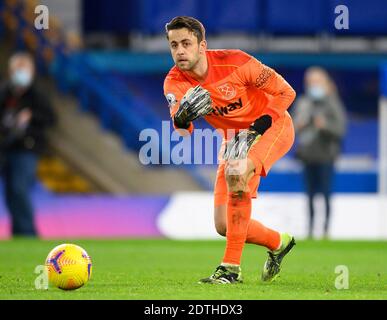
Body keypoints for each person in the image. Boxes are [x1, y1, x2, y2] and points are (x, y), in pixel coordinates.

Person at [163, 16, 296, 284]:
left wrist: (257, 128)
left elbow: (286, 92)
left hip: (271, 126)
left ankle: (230, 270)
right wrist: (181, 118)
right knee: (224, 225)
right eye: (174, 45)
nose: (180, 51)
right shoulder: (175, 82)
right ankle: (279, 243)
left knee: (237, 173)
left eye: (186, 43)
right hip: (233, 140)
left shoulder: (237, 61)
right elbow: (182, 130)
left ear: (202, 46)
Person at [0, 52, 56, 237]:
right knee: (10, 192)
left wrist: (31, 117)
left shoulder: (37, 95)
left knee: (19, 188)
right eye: (18, 68)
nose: (21, 73)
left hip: (27, 148)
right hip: (7, 148)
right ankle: (18, 233)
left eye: (24, 69)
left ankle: (28, 233)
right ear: (11, 71)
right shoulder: (5, 93)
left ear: (31, 71)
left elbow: (51, 119)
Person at [293, 67, 346, 239]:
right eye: (310, 82)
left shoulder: (332, 103)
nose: (313, 85)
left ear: (324, 83)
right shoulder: (303, 103)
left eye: (317, 81)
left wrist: (325, 126)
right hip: (307, 157)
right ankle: (309, 230)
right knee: (309, 196)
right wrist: (298, 126)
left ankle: (325, 230)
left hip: (326, 157)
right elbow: (292, 127)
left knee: (325, 194)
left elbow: (340, 130)